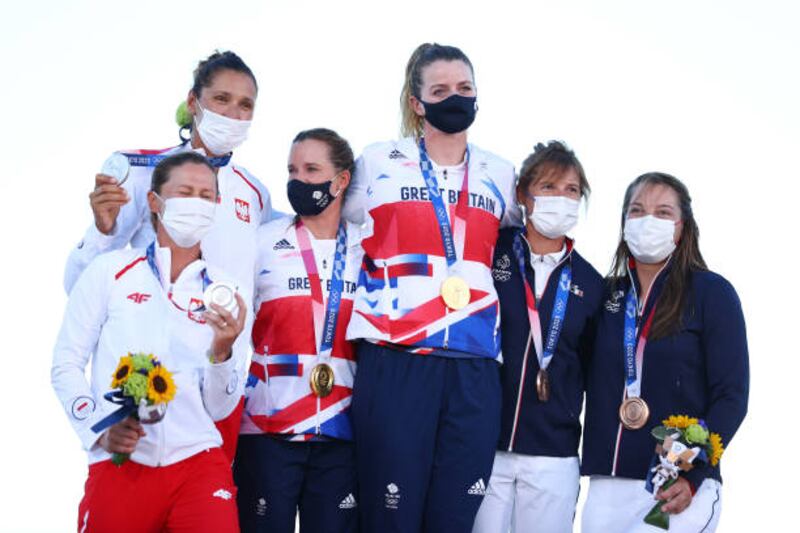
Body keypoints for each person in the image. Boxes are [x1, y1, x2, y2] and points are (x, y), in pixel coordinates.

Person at [64, 50, 276, 458]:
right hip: (149, 379)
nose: (233, 113)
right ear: (193, 103)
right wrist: (102, 230)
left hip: (220, 379)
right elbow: (79, 286)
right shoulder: (144, 171)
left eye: (245, 105)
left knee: (212, 510)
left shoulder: (255, 192)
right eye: (221, 99)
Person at [343, 43, 519, 533]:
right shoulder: (378, 160)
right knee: (389, 518)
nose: (454, 98)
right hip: (396, 356)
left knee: (454, 520)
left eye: (464, 89)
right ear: (417, 102)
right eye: (440, 90)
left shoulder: (500, 172)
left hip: (475, 362)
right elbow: (333, 225)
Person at [52, 152, 249, 533]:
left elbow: (220, 407)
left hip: (198, 461)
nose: (197, 203)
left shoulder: (227, 292)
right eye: (185, 192)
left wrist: (222, 353)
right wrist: (99, 428)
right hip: (121, 461)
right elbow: (66, 363)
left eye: (206, 195)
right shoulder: (110, 271)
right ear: (155, 203)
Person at [580, 172, 749, 532]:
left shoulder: (711, 293)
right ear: (624, 223)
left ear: (682, 227)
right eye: (637, 211)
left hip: (676, 486)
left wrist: (691, 473)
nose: (647, 222)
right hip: (605, 488)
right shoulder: (605, 296)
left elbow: (731, 396)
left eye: (662, 213)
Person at [471, 141, 603, 533]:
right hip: (484, 446)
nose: (561, 199)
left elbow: (596, 372)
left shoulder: (592, 284)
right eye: (548, 187)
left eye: (572, 190)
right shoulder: (489, 254)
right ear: (522, 194)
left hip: (552, 457)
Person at [235, 128, 362, 533]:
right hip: (268, 430)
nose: (298, 180)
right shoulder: (263, 242)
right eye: (292, 170)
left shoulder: (366, 249)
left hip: (342, 432)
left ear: (341, 180)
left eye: (312, 169)